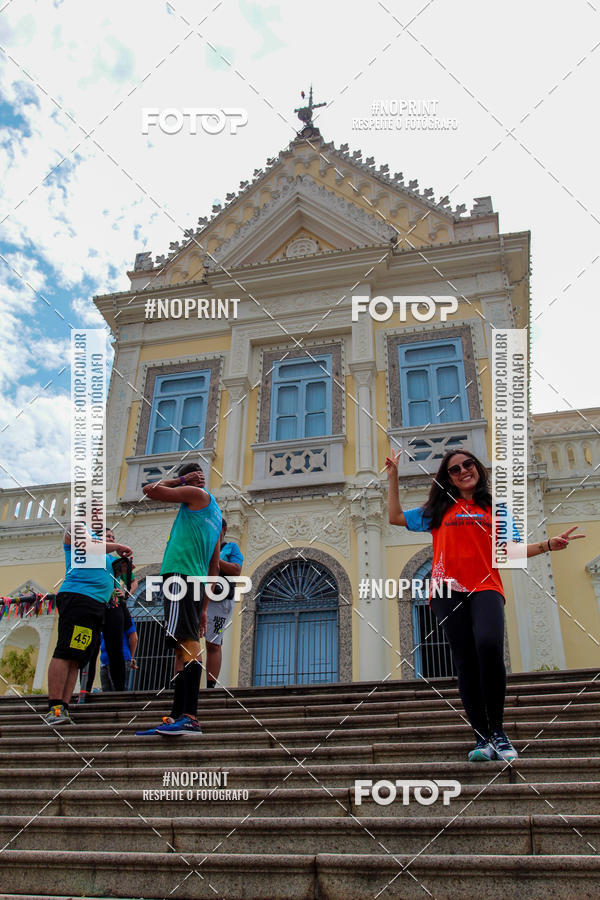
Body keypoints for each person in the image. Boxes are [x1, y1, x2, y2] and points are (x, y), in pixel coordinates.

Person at [385, 447, 585, 763]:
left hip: (485, 587)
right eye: (455, 469)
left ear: (477, 468)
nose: (464, 470)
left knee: (489, 645)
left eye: (469, 464)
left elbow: (511, 552)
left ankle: (498, 732)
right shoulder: (438, 510)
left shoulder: (496, 509)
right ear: (447, 478)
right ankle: (483, 737)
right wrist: (393, 477)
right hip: (446, 591)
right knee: (465, 661)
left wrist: (548, 545)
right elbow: (395, 517)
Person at [136, 462, 221, 736]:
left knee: (187, 643)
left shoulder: (196, 496)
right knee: (182, 645)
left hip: (180, 576)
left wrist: (180, 479)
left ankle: (189, 716)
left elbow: (149, 490)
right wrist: (205, 609)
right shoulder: (216, 513)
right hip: (194, 582)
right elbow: (214, 566)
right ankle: (178, 715)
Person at [45, 525, 132, 725]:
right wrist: (116, 545)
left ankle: (63, 708)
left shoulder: (108, 557)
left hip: (96, 606)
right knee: (65, 651)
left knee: (77, 657)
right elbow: (91, 546)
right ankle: (54, 707)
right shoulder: (79, 530)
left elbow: (113, 579)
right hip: (78, 598)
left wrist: (123, 569)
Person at [205, 518, 243, 688]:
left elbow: (236, 569)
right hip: (199, 596)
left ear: (224, 529)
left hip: (221, 601)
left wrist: (214, 560)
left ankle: (210, 686)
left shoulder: (231, 548)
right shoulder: (201, 546)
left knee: (213, 641)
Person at [99, 598, 138, 691]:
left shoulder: (124, 617)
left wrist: (130, 657)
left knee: (119, 691)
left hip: (121, 659)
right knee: (107, 693)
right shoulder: (103, 619)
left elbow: (134, 638)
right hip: (104, 662)